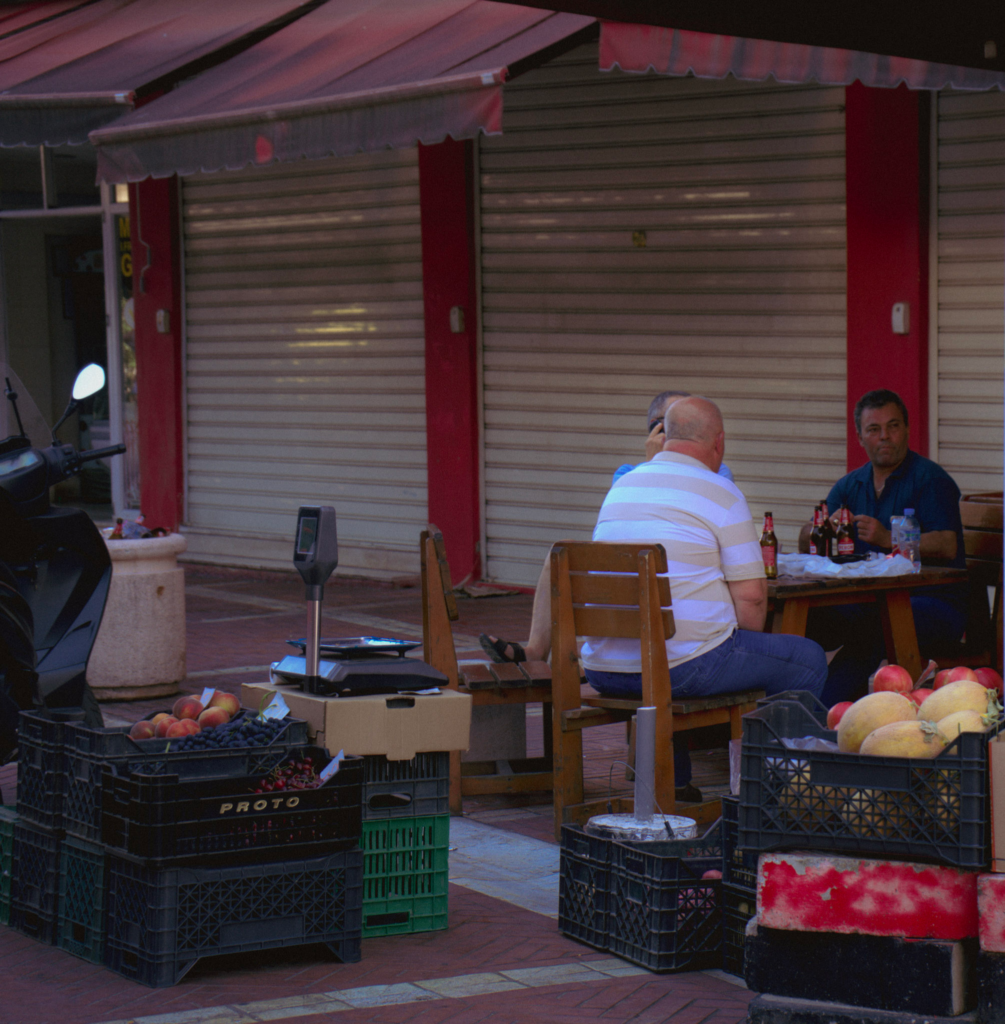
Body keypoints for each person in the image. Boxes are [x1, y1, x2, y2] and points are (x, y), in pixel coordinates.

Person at [799, 388, 966, 705]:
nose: (885, 437)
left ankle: (820, 714)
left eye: (893, 426)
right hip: (872, 602)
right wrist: (820, 528)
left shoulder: (930, 479)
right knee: (808, 620)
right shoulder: (850, 484)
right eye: (874, 429)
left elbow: (946, 543)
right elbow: (806, 538)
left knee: (873, 627)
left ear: (906, 430)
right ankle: (784, 713)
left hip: (935, 604)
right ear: (860, 437)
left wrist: (889, 537)